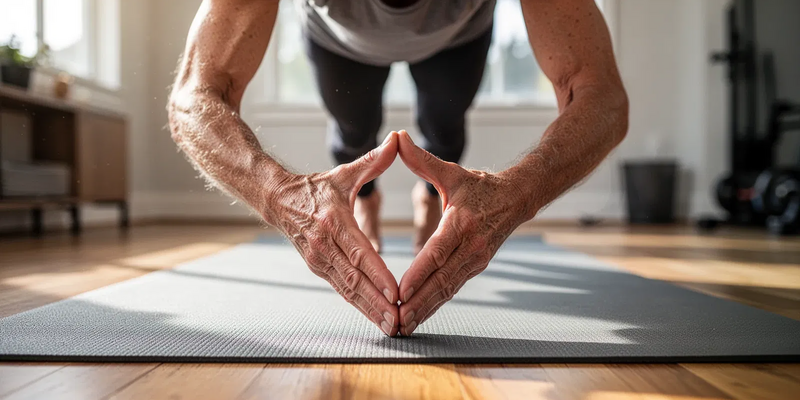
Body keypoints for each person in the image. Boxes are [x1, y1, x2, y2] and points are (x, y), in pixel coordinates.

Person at [168, 0, 628, 337]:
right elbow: (194, 97)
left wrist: (514, 196)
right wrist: (282, 198)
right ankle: (365, 200)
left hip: (459, 35)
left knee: (444, 131)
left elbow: (599, 93)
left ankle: (430, 199)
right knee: (353, 131)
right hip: (339, 40)